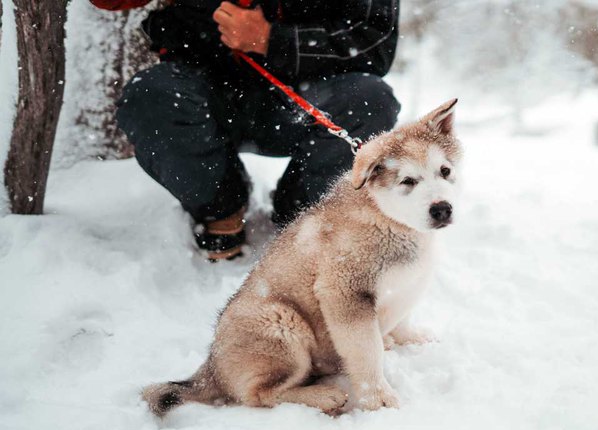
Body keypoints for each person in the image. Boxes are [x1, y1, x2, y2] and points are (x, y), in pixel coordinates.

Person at [90, 0, 401, 260]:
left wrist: (270, 40)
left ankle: (304, 213)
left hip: (305, 98)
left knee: (371, 100)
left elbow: (374, 43)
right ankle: (221, 207)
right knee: (151, 96)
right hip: (206, 94)